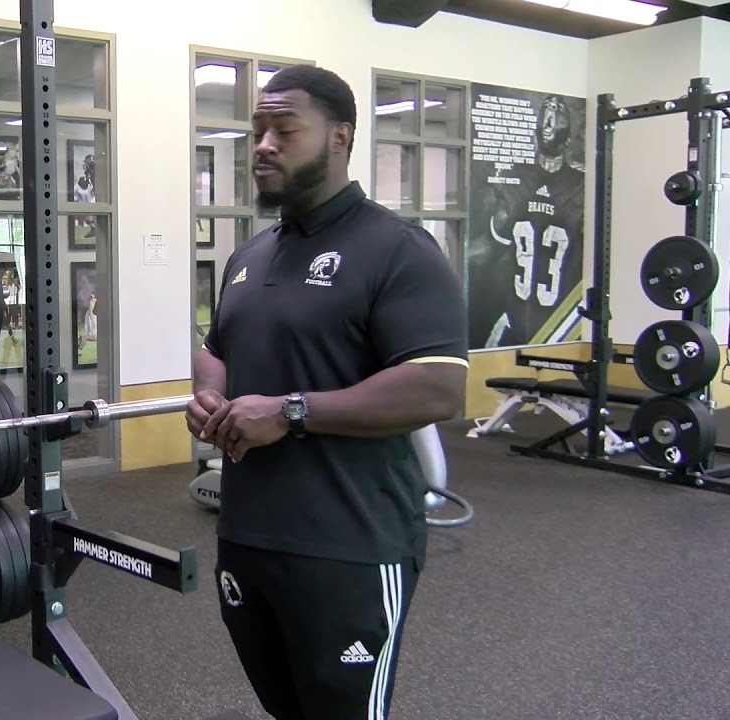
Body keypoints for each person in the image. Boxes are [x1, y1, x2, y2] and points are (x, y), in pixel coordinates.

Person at [185, 64, 468, 720]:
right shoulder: (250, 256)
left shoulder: (399, 250)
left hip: (349, 544)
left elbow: (437, 388)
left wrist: (290, 411)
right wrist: (209, 394)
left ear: (340, 138)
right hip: (250, 534)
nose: (263, 145)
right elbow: (217, 349)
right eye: (258, 130)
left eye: (284, 129)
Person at [470, 94, 585, 348]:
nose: (550, 122)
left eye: (557, 114)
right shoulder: (514, 179)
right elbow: (486, 249)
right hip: (514, 317)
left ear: (568, 135)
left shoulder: (582, 186)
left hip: (562, 323)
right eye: (546, 114)